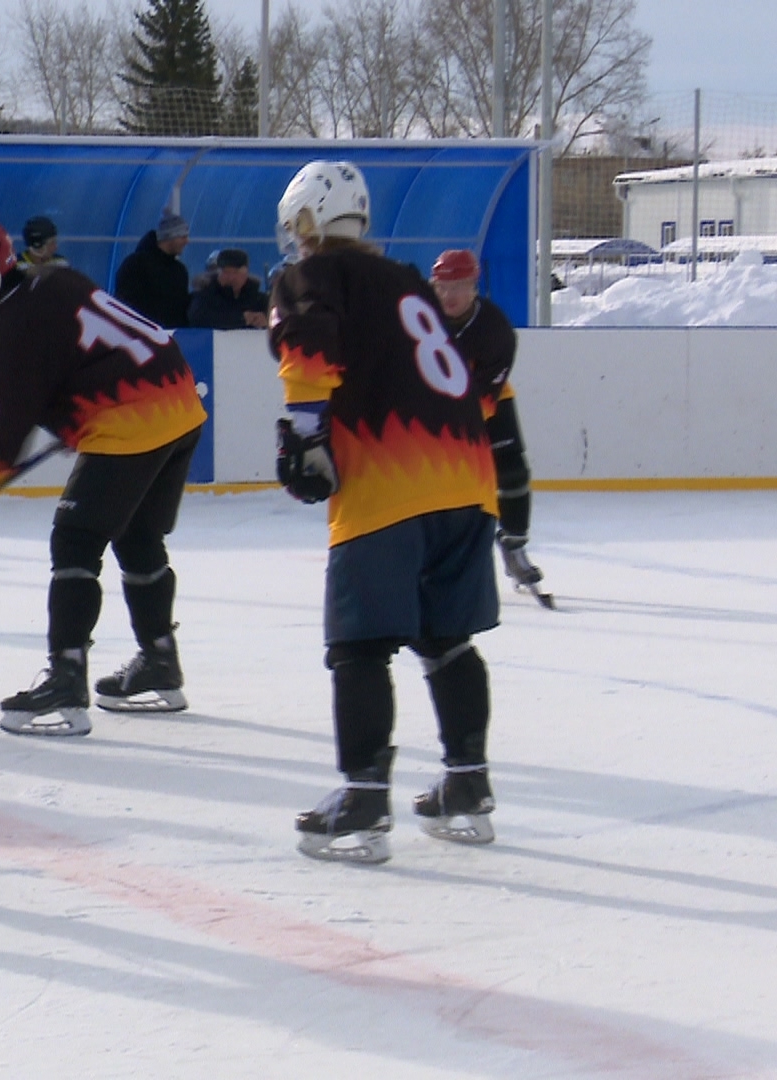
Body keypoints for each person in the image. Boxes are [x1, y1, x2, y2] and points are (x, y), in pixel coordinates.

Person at [269, 161, 501, 865]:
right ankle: (467, 785)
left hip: (391, 481)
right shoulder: (406, 282)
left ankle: (364, 801)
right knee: (447, 639)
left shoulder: (314, 273)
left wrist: (306, 434)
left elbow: (309, 344)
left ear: (308, 221)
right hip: (469, 477)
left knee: (360, 646)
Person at [0, 218, 207, 737]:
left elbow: (3, 434)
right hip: (181, 399)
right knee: (137, 535)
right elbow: (87, 352)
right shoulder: (56, 279)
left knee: (75, 540)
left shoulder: (5, 334)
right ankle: (160, 661)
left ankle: (66, 677)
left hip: (132, 420)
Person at [432, 248, 546, 601]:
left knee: (511, 471)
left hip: (484, 401)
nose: (449, 295)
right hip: (428, 403)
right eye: (442, 287)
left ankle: (514, 545)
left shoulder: (495, 329)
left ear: (474, 285)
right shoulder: (420, 317)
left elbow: (484, 396)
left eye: (458, 286)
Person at [114, 211, 191, 329]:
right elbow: (124, 303)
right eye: (183, 237)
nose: (187, 241)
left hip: (170, 336)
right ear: (170, 237)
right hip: (140, 333)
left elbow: (181, 309)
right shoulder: (136, 264)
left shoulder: (180, 271)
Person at [186, 248, 269, 330]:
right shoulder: (204, 297)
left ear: (246, 273)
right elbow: (198, 318)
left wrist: (266, 321)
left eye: (236, 272)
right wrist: (241, 319)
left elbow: (274, 319)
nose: (231, 278)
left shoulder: (260, 300)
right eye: (226, 272)